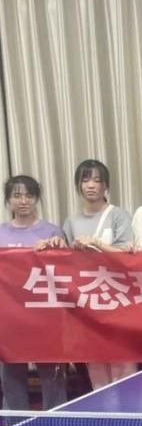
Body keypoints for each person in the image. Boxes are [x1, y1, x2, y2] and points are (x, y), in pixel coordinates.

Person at [42, 160, 137, 389]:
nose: (91, 185)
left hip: (117, 301)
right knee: (96, 366)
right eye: (85, 180)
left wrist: (97, 244)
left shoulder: (118, 215)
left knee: (123, 366)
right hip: (87, 305)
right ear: (78, 185)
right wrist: (57, 245)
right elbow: (65, 262)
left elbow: (128, 256)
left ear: (106, 186)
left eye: (97, 180)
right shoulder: (71, 221)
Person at [0, 175, 67, 409]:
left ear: (37, 199)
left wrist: (56, 249)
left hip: (44, 317)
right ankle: (16, 425)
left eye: (29, 195)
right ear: (8, 200)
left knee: (52, 377)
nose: (23, 201)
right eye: (17, 196)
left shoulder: (52, 232)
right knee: (11, 379)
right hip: (9, 319)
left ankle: (57, 423)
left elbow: (65, 272)